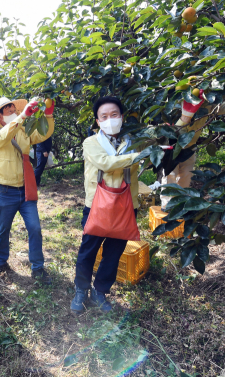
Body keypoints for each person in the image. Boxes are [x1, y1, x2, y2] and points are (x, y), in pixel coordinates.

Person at [71, 96, 139, 314]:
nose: (110, 120)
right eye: (104, 116)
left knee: (113, 252)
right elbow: (105, 163)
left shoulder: (135, 142)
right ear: (98, 122)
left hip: (125, 205)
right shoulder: (91, 142)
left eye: (114, 115)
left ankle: (99, 291)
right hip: (97, 206)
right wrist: (139, 156)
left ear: (121, 117)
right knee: (88, 250)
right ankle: (81, 289)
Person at [0, 97, 55, 284]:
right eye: (8, 110)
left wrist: (48, 116)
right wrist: (24, 115)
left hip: (26, 190)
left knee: (34, 227)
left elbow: (43, 135)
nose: (13, 111)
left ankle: (38, 268)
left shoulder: (24, 131)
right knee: (3, 230)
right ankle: (1, 263)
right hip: (6, 191)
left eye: (13, 109)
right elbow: (5, 136)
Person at [160, 86, 225, 209]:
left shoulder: (206, 107)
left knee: (186, 176)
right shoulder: (176, 103)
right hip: (171, 146)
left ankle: (180, 205)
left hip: (189, 147)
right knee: (170, 175)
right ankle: (167, 205)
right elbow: (172, 129)